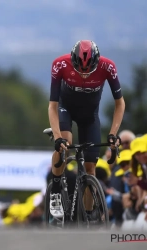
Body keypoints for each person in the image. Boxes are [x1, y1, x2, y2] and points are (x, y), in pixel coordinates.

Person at [48, 40, 125, 218]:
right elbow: (52, 105)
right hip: (64, 108)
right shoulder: (59, 64)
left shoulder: (108, 67)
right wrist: (58, 136)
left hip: (89, 115)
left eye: (88, 71)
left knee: (91, 167)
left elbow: (119, 103)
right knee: (65, 144)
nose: (83, 75)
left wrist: (113, 133)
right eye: (79, 70)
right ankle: (56, 189)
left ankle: (88, 215)